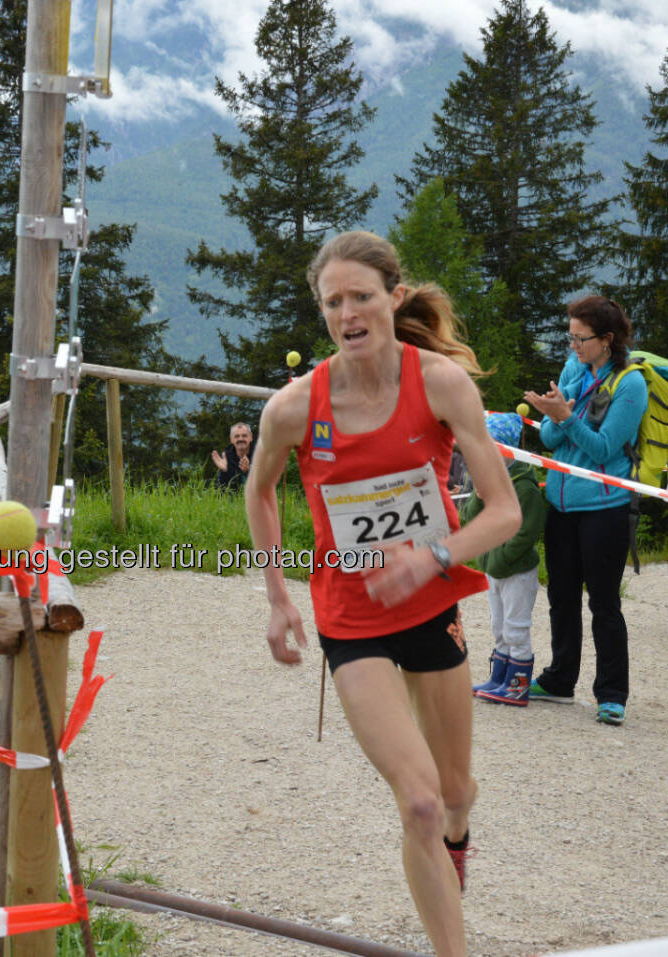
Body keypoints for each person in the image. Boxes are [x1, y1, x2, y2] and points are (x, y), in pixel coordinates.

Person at [245, 231, 520, 957]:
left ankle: (459, 837)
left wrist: (431, 557)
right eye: (332, 302)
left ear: (393, 299)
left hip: (431, 606)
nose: (347, 313)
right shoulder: (295, 408)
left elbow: (504, 511)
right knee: (421, 799)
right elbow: (261, 490)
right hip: (351, 617)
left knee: (455, 792)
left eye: (361, 297)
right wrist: (277, 595)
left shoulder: (440, 383)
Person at [521, 296, 649, 727]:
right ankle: (560, 679)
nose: (572, 345)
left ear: (607, 340)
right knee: (560, 595)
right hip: (561, 503)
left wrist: (565, 417)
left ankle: (612, 693)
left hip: (604, 506)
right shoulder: (574, 369)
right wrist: (553, 418)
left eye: (581, 338)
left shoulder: (630, 384)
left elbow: (603, 450)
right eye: (569, 336)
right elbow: (551, 442)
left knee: (604, 602)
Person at [462, 412, 546, 706]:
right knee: (499, 627)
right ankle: (499, 679)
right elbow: (468, 519)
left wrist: (501, 558)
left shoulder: (524, 486)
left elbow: (527, 532)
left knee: (516, 627)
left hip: (516, 571)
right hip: (494, 569)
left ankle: (517, 687)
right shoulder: (488, 477)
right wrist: (478, 495)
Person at [211, 422, 256, 491]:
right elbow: (221, 491)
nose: (241, 439)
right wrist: (224, 471)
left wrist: (248, 471)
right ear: (231, 439)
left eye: (244, 436)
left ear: (251, 437)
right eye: (236, 436)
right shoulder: (226, 458)